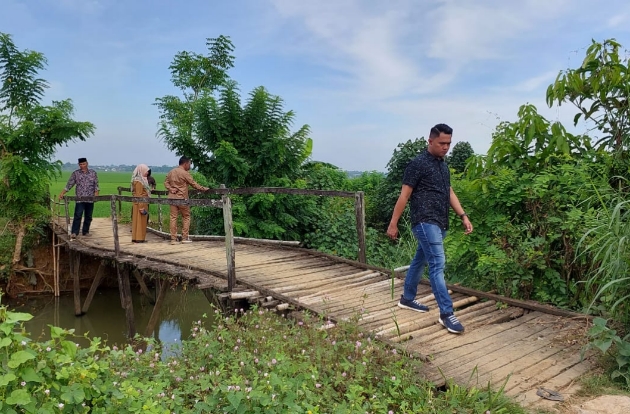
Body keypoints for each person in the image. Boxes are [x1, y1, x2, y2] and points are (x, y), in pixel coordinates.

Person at [386, 124, 473, 334]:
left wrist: (463, 215)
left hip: (440, 221)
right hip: (424, 221)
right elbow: (404, 195)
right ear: (430, 141)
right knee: (437, 264)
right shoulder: (417, 164)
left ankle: (407, 298)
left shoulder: (443, 165)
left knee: (420, 260)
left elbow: (449, 191)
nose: (446, 147)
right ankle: (446, 313)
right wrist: (393, 222)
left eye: (449, 143)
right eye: (442, 143)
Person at [164, 156, 209, 245]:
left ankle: (173, 239)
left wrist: (171, 189)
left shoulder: (171, 171)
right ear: (185, 163)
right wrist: (204, 189)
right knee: (186, 216)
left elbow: (166, 182)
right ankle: (184, 237)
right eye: (189, 164)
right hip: (182, 198)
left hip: (172, 198)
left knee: (173, 218)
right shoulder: (185, 173)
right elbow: (193, 184)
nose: (190, 166)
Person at [59, 157, 100, 241]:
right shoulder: (76, 174)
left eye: (83, 164)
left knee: (88, 216)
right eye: (80, 164)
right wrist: (62, 193)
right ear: (78, 165)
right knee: (78, 215)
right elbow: (69, 185)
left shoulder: (93, 173)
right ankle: (74, 232)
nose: (82, 166)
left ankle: (86, 231)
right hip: (80, 199)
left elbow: (96, 185)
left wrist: (96, 195)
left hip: (90, 198)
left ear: (87, 163)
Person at [131, 164, 152, 243]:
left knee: (138, 221)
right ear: (141, 170)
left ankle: (136, 237)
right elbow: (139, 195)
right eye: (146, 171)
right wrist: (141, 207)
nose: (147, 173)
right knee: (140, 221)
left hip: (140, 203)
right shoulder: (139, 181)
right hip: (140, 204)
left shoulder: (141, 179)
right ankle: (139, 238)